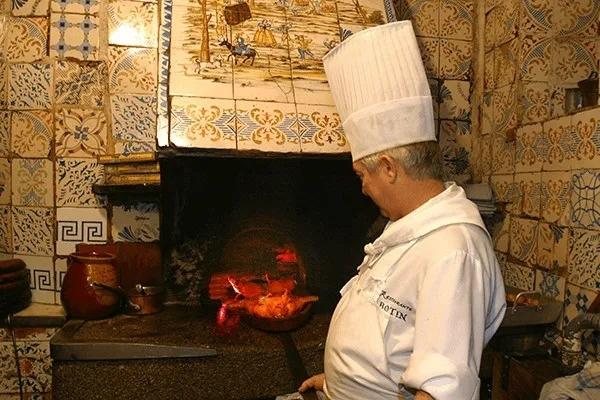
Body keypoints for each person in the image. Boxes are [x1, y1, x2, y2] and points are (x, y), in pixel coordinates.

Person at [298, 21, 506, 400]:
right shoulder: (409, 231)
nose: (363, 188)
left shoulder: (452, 250)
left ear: (389, 168)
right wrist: (337, 382)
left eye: (362, 174)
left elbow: (440, 392)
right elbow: (388, 341)